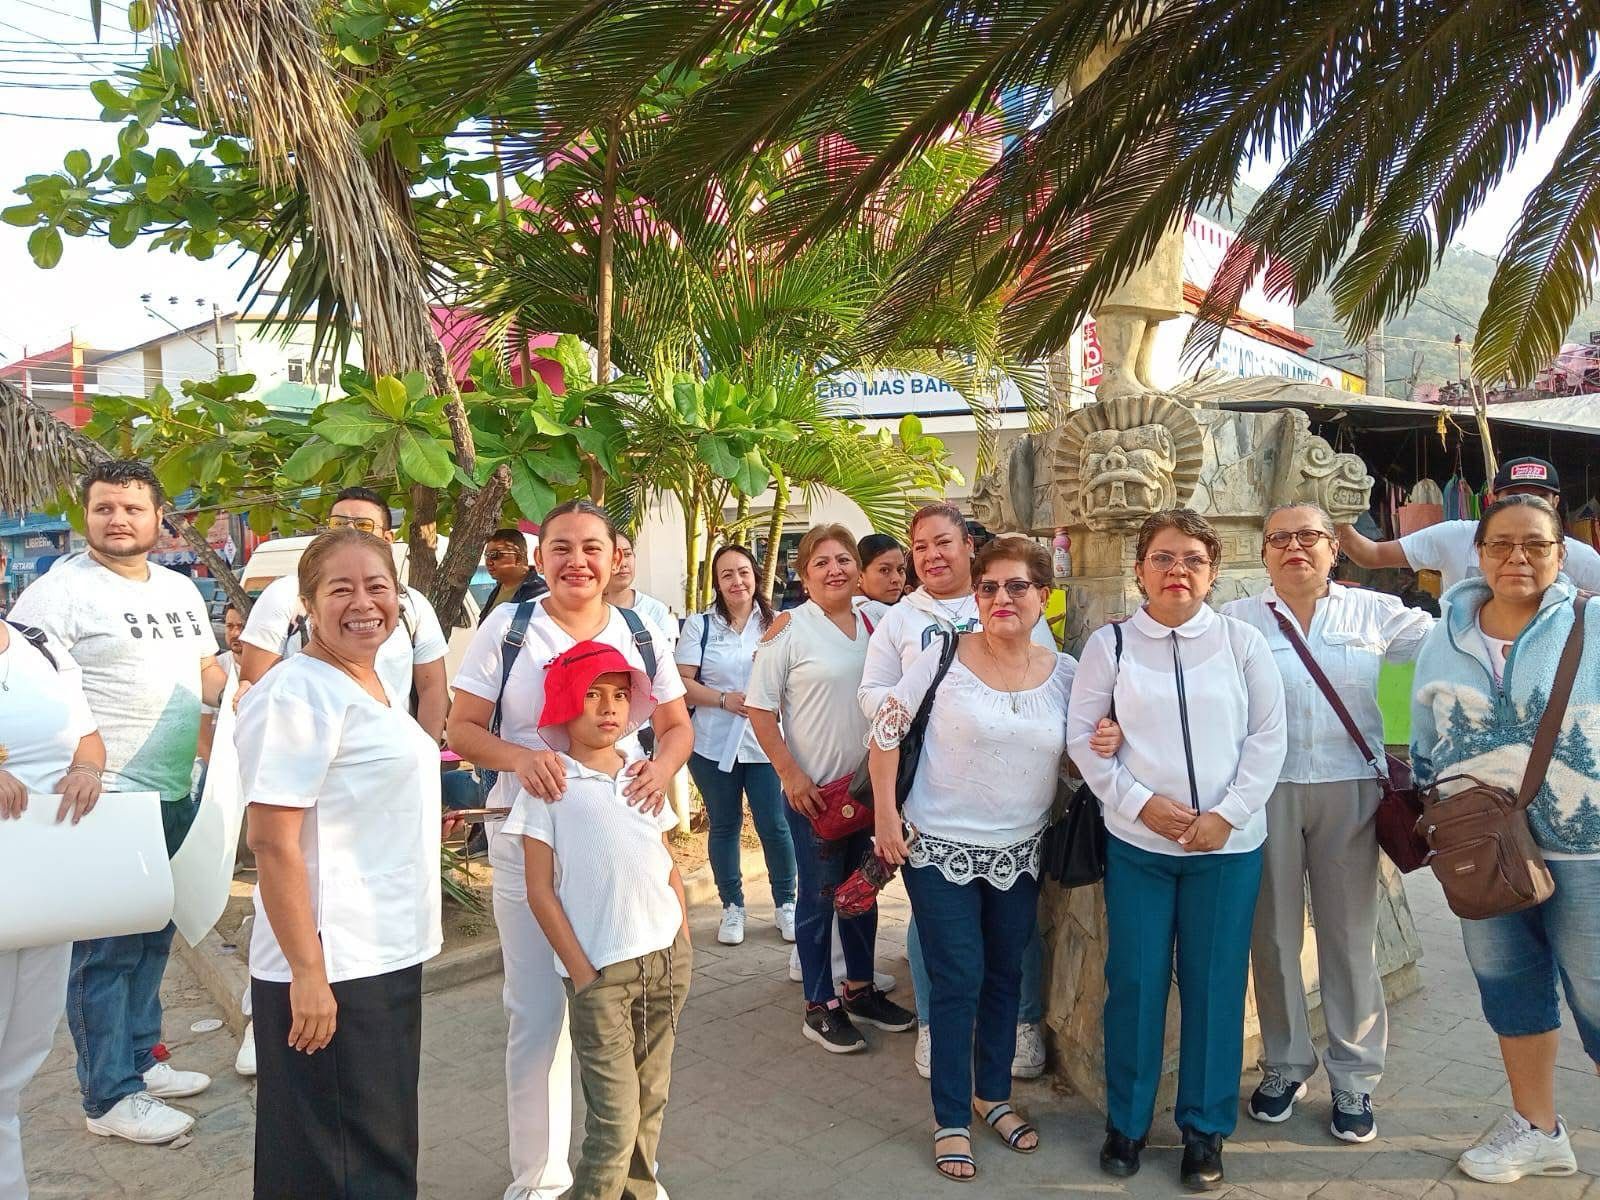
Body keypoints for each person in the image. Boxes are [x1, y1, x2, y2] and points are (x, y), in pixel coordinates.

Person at [446, 500, 693, 1200]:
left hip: (625, 850)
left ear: (616, 556)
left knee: (641, 1017)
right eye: (560, 547)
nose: (576, 561)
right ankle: (541, 1178)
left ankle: (634, 1174)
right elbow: (461, 727)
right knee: (538, 1011)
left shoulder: (641, 626)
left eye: (592, 547)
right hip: (533, 846)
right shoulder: (511, 625)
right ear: (540, 556)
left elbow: (675, 727)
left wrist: (662, 769)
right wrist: (521, 759)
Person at [1067, 508, 1286, 1191]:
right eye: (1163, 558)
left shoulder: (1243, 643)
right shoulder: (1113, 646)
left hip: (1225, 851)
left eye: (1192, 559)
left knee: (1216, 987)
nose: (1177, 571)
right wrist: (1140, 803)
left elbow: (1267, 738)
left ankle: (1204, 1129)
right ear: (1140, 570)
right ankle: (1127, 1123)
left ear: (1213, 573)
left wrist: (1227, 814)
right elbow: (1083, 738)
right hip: (1140, 846)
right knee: (1134, 983)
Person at [11, 459, 228, 1145]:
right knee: (105, 951)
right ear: (85, 516)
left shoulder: (180, 590)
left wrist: (253, 686)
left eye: (133, 507)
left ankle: (142, 1059)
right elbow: (14, 684)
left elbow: (206, 673)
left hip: (173, 788)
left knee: (153, 932)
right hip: (102, 798)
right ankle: (108, 1095)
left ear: (158, 515)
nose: (118, 519)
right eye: (104, 507)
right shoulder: (57, 593)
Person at [235, 528, 442, 1199]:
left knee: (373, 1144)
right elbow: (271, 841)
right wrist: (306, 973)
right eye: (341, 588)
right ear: (306, 602)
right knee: (339, 1159)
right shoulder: (297, 692)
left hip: (379, 951)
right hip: (332, 961)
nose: (364, 603)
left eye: (378, 586)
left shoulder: (371, 680)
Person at [1222, 503, 1433, 1144]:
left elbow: (1456, 636)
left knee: (1349, 936)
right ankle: (1285, 1065)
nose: (1295, 548)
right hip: (1267, 791)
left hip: (1350, 792)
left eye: (1309, 536)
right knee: (1276, 937)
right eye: (1280, 538)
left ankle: (1354, 1077)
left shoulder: (1374, 613)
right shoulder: (1235, 621)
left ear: (1333, 548)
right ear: (1263, 553)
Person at [869, 536, 1075, 1181]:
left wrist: (1110, 734)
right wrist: (885, 817)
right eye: (988, 587)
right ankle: (952, 1116)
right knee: (957, 979)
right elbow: (886, 732)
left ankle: (994, 1095)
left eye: (1017, 586)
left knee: (1005, 977)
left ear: (1044, 594)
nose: (1001, 598)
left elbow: (1082, 751)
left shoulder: (1066, 672)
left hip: (1020, 850)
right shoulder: (943, 654)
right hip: (936, 848)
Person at [1410, 494, 1600, 1185]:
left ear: (1561, 554)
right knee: (1509, 988)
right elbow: (1425, 738)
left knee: (1598, 992)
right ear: (1480, 553)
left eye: (1535, 545)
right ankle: (1538, 1129)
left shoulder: (1593, 623)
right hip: (1483, 853)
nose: (1517, 557)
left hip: (1587, 852)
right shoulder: (1444, 633)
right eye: (1501, 545)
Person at [507, 641, 691, 1200]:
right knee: (613, 1123)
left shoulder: (643, 774)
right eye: (591, 694)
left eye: (618, 695)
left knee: (650, 1103)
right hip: (603, 980)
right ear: (565, 704)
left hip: (666, 963)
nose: (608, 707)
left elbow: (666, 864)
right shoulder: (549, 785)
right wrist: (582, 974)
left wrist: (682, 939)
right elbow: (540, 890)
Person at [746, 523, 916, 1054]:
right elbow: (759, 707)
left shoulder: (879, 620)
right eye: (821, 562)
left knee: (860, 891)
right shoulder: (789, 630)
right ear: (805, 574)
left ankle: (860, 989)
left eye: (843, 559)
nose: (835, 569)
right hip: (814, 794)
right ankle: (819, 1004)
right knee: (820, 899)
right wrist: (790, 774)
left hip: (868, 792)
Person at [0, 619, 105, 1197]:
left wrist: (86, 771)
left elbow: (86, 736)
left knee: (21, 1055)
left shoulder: (40, 644)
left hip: (47, 878)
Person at [238, 486, 450, 740]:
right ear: (309, 605)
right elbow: (256, 690)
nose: (362, 604)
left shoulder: (413, 604)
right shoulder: (284, 594)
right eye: (339, 524)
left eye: (363, 525)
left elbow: (433, 689)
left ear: (387, 539)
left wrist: (424, 757)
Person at [676, 545, 796, 947]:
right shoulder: (700, 625)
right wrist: (724, 699)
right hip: (713, 744)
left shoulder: (780, 623)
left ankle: (786, 904)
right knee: (724, 824)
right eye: (726, 574)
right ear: (717, 582)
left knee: (774, 825)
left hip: (765, 744)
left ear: (755, 575)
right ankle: (732, 906)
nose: (736, 581)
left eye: (743, 572)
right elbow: (682, 684)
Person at [1337, 457, 1600, 593]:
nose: (1526, 504)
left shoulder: (1582, 559)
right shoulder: (1454, 537)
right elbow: (1369, 555)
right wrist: (1330, 510)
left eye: (1538, 496)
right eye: (1515, 495)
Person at [604, 530, 678, 651]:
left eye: (627, 554)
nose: (622, 563)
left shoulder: (656, 610)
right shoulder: (584, 611)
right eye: (613, 556)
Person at [198, 601, 245, 764]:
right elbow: (201, 732)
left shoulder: (274, 667)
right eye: (229, 626)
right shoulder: (213, 668)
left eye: (241, 626)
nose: (235, 633)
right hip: (220, 763)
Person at [485, 527, 547, 611]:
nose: (489, 562)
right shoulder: (498, 589)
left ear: (518, 558)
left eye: (494, 555)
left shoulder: (540, 593)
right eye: (487, 556)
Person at [856, 533, 907, 609]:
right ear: (860, 574)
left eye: (900, 570)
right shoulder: (868, 612)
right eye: (884, 570)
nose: (897, 579)